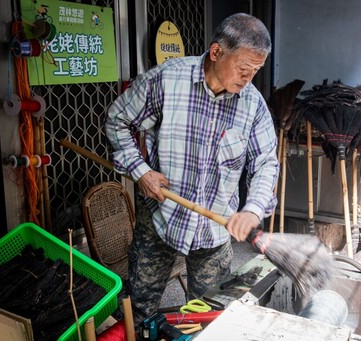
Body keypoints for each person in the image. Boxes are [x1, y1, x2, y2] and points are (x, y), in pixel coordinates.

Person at [104, 12, 279, 325]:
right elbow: (118, 120)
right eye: (243, 69)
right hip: (160, 217)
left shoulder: (252, 104)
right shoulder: (166, 80)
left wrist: (253, 209)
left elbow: (265, 161)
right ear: (216, 53)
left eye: (255, 71)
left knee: (210, 317)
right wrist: (140, 170)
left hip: (214, 231)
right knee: (135, 309)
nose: (248, 79)